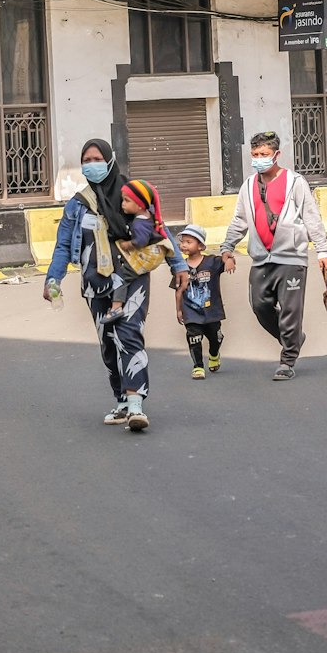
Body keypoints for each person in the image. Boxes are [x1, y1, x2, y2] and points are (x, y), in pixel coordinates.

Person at [43, 139, 189, 433]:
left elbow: (158, 228)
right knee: (108, 344)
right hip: (95, 285)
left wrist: (179, 265)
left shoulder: (129, 195)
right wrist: (53, 278)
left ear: (110, 161)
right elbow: (62, 245)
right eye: (86, 160)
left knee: (129, 334)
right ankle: (122, 400)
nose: (91, 164)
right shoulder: (78, 203)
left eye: (97, 158)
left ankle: (136, 404)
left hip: (132, 279)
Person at [221, 130, 327, 381]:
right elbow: (239, 220)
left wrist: (322, 249)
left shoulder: (295, 182)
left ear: (277, 155)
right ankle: (293, 338)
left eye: (264, 154)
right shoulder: (248, 185)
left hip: (291, 258)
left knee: (291, 310)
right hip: (261, 258)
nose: (259, 158)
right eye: (255, 154)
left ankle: (287, 360)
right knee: (260, 306)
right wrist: (227, 246)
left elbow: (311, 217)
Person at [106, 178, 172, 319]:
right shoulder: (148, 216)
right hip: (155, 252)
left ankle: (116, 308)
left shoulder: (138, 224)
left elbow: (140, 241)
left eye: (127, 201)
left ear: (140, 204)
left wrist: (127, 244)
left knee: (122, 276)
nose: (122, 204)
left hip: (148, 256)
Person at [174, 224, 226, 380]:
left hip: (212, 311)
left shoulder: (212, 262)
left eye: (189, 241)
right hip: (191, 312)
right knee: (194, 338)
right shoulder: (180, 267)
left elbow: (226, 257)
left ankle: (214, 354)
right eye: (183, 241)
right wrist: (178, 310)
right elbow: (178, 291)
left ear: (201, 246)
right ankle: (198, 366)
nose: (184, 245)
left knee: (216, 338)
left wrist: (229, 261)